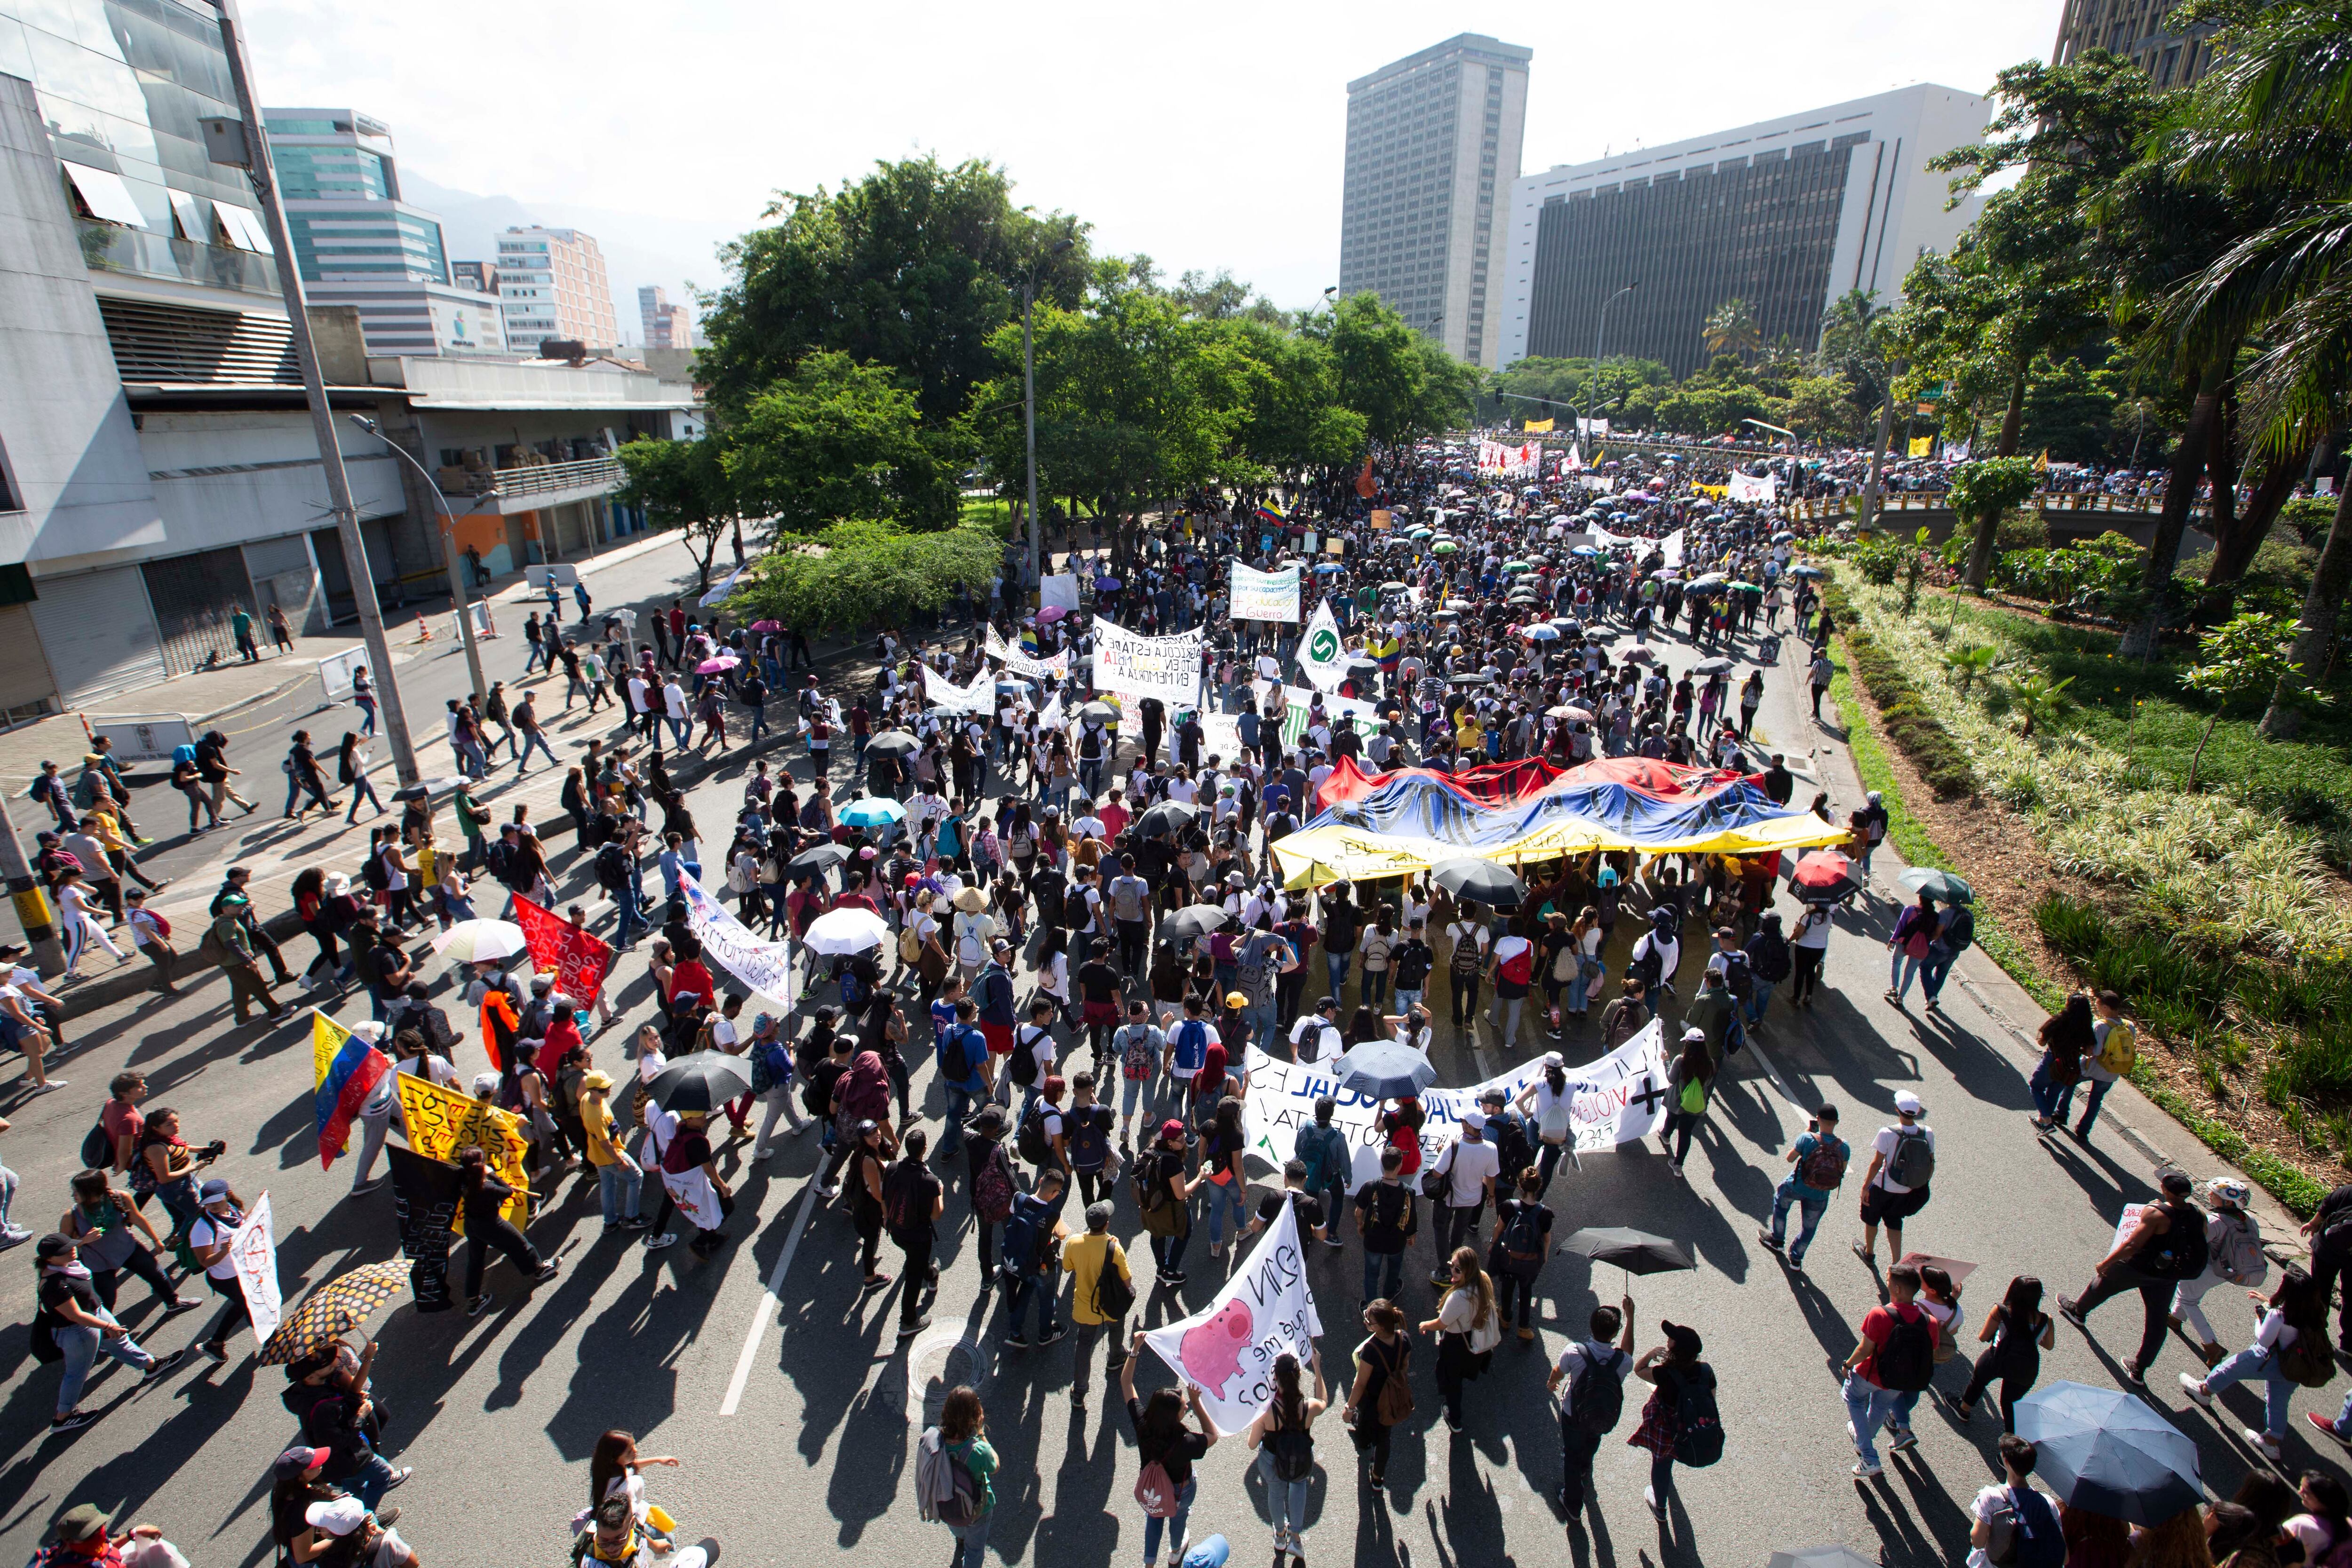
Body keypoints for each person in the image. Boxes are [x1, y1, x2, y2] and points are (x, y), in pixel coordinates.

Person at [2058, 1168, 2209, 1386]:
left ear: (2165, 1190)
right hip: (2168, 1275)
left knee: (2102, 1283)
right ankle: (2139, 1368)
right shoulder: (2199, 1215)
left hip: (2138, 1267)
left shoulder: (2156, 1213)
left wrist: (2106, 1263)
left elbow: (2132, 1245)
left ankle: (2078, 1311)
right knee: (2157, 1320)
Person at [2180, 1265, 2331, 1462]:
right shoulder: (2315, 1314)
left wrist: (2260, 1320)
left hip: (2269, 1359)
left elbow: (2264, 1340)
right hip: (2295, 1367)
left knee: (2229, 1368)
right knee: (2277, 1401)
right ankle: (2271, 1443)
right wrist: (2267, 1302)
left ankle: (2204, 1392)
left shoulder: (2279, 1316)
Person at [33, 1233, 181, 1432]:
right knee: (76, 1373)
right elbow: (76, 1315)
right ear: (50, 1259)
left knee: (120, 1343)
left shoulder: (66, 1265)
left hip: (95, 1314)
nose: (72, 1250)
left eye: (72, 1246)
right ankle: (63, 1418)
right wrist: (107, 1327)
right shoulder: (55, 1285)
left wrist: (84, 1240)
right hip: (79, 1332)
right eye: (66, 1250)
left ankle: (151, 1365)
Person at [1122, 1341, 1221, 1567]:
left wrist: (1135, 1350)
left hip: (1153, 1488)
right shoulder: (1185, 1441)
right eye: (1184, 1407)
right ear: (1174, 1416)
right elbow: (1212, 1436)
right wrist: (1197, 1402)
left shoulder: (1143, 1424)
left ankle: (1149, 1562)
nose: (1186, 1408)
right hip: (1180, 1492)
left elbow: (1126, 1383)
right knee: (1178, 1519)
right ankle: (1176, 1550)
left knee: (1154, 1517)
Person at [1549, 1297, 1637, 1521]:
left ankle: (1573, 1503)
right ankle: (1585, 1468)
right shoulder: (1622, 1361)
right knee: (1592, 1440)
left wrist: (1552, 1382)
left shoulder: (1575, 1352)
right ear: (1615, 1334)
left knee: (1571, 1453)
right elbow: (1628, 1352)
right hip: (1601, 1414)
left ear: (1591, 1326)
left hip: (1574, 1414)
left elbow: (1559, 1371)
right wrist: (1631, 1317)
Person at [1628, 1320, 1718, 1521]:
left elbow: (1639, 1370)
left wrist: (1651, 1354)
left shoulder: (1665, 1374)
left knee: (1661, 1466)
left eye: (1671, 1339)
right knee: (1669, 1461)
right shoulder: (1705, 1371)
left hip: (1668, 1430)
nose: (1668, 1339)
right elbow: (1711, 1399)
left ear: (1675, 1348)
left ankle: (1660, 1508)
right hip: (1691, 1428)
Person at [456, 1144, 557, 1316]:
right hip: (492, 1225)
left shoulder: (462, 1179)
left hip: (472, 1226)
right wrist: (492, 1174)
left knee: (476, 1260)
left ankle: (474, 1300)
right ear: (481, 1165)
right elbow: (507, 1191)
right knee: (520, 1245)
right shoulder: (486, 1187)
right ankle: (540, 1269)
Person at [1246, 1349, 1328, 1560]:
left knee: (1276, 1492)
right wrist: (1317, 1368)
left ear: (1275, 1378)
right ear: (1299, 1375)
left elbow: (1252, 1444)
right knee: (1299, 1487)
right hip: (1301, 1459)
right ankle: (1296, 1538)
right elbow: (1324, 1400)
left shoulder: (1266, 1411)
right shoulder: (1309, 1407)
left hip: (1272, 1461)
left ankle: (1280, 1536)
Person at [1958, 1274, 2057, 1431]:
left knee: (1979, 1379)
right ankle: (2011, 1442)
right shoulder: (2046, 1320)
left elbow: (1983, 1337)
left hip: (1997, 1358)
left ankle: (1964, 1409)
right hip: (2025, 1366)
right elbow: (2049, 1345)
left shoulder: (2001, 1311)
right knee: (2010, 1402)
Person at [1059, 1198, 1132, 1408]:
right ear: (1107, 1225)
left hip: (1085, 1307)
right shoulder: (1114, 1248)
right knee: (1117, 1328)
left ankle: (1079, 1392)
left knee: (1083, 1344)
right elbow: (1127, 1280)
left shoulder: (1074, 1242)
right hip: (1111, 1306)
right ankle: (1116, 1357)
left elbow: (1067, 1268)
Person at [1760, 1102, 1849, 1272]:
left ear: (1818, 1119)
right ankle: (1796, 1258)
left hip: (1797, 1186)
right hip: (1820, 1195)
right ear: (1837, 1122)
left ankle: (1777, 1240)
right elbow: (1842, 1170)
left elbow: (1790, 1158)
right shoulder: (1844, 1147)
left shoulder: (1807, 1138)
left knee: (1781, 1202)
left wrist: (1808, 1133)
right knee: (1809, 1227)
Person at [1422, 1244, 1499, 1432]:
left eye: (1458, 1270)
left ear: (1468, 1271)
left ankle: (1454, 1419)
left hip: (1456, 1344)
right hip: (1474, 1338)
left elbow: (1442, 1323)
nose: (1453, 1272)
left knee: (1452, 1381)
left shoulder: (1458, 1298)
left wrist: (1424, 1325)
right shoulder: (1483, 1283)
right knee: (1462, 1372)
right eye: (1451, 1266)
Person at [1853, 1090, 1934, 1267]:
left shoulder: (1887, 1132)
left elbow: (1876, 1163)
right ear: (1918, 1112)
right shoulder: (1927, 1133)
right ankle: (1897, 1262)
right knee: (1895, 1222)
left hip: (1882, 1188)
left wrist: (1866, 1187)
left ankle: (1869, 1252)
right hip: (1906, 1190)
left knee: (1872, 1219)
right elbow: (1931, 1163)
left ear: (1897, 1109)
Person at [1343, 1297, 1412, 1491]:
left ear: (1380, 1327)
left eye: (1369, 1321)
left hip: (1372, 1400)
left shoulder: (1371, 1350)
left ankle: (1364, 1444)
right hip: (1391, 1399)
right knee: (1385, 1436)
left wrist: (1349, 1408)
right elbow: (1404, 1367)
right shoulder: (1404, 1338)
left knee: (1369, 1428)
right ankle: (1377, 1478)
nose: (1365, 1322)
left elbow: (1360, 1383)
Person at [1966, 1435, 2066, 1568]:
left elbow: (1977, 1541)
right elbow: (2064, 1557)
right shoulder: (2047, 1503)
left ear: (2006, 1461)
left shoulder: (1992, 1497)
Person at [884, 1128, 945, 1337]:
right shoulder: (929, 1180)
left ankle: (931, 1274)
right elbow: (937, 1215)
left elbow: (885, 1197)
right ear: (925, 1149)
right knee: (912, 1276)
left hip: (896, 1231)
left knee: (916, 1261)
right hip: (918, 1235)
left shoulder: (892, 1167)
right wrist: (941, 1192)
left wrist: (888, 1221)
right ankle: (908, 1322)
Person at [1430, 1108, 1500, 1284]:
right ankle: (1457, 1265)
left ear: (1469, 1127)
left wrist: (1441, 1154)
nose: (1461, 1123)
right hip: (1472, 1199)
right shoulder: (1491, 1149)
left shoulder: (1453, 1146)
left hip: (1448, 1198)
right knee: (1460, 1232)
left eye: (1463, 1121)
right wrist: (1492, 1196)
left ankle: (1445, 1270)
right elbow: (1491, 1176)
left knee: (1441, 1229)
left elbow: (1437, 1174)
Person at [1488, 1166, 1553, 1340]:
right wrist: (1544, 1256)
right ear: (1539, 1186)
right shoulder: (1545, 1213)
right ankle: (1524, 1327)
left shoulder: (1510, 1206)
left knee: (1507, 1288)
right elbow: (1546, 1238)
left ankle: (1506, 1317)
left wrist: (1493, 1244)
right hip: (1531, 1261)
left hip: (1509, 1257)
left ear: (1520, 1185)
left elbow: (1498, 1228)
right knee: (1526, 1290)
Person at [1659, 1026, 1714, 1176]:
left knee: (1671, 1117)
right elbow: (1708, 1083)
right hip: (1695, 1105)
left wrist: (1666, 1061)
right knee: (1685, 1134)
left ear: (1688, 1044)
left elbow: (1671, 1079)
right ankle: (1678, 1166)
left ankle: (1665, 1135)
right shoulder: (1710, 1063)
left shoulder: (1681, 1060)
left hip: (1677, 1100)